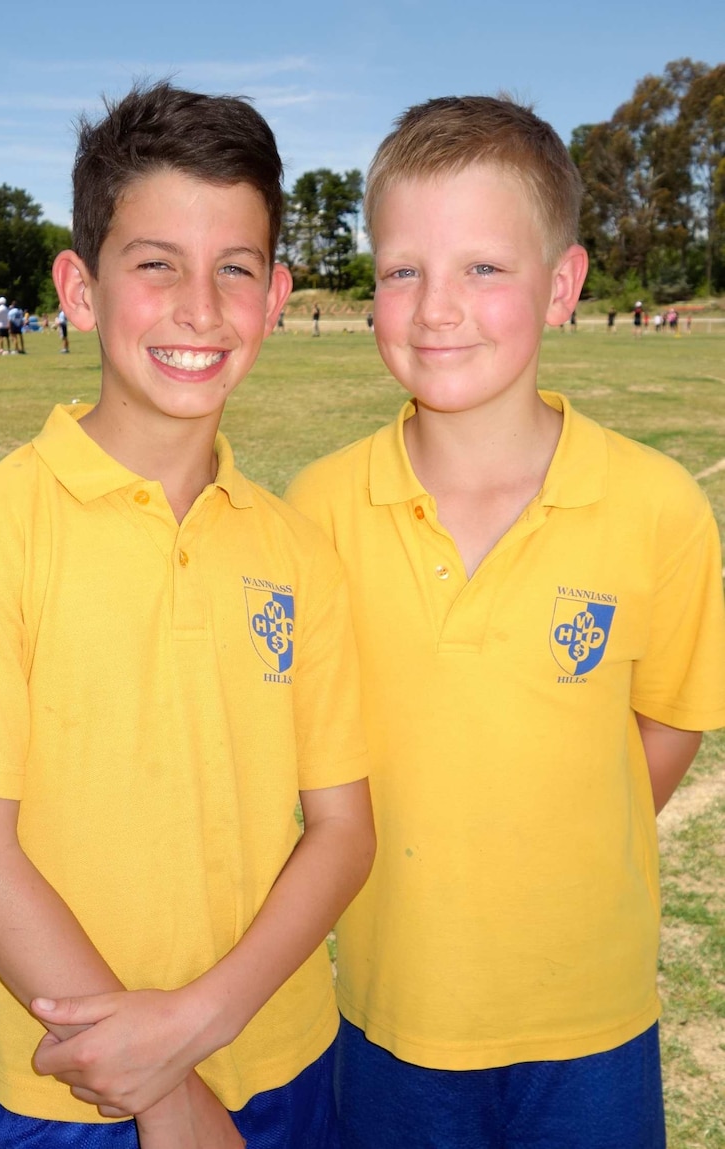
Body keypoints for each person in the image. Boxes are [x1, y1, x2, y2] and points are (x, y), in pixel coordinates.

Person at [0, 80, 375, 1149]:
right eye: (156, 265)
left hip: (288, 1063)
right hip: (78, 1093)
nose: (200, 308)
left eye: (234, 268)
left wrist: (201, 1023)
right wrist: (166, 1092)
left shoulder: (297, 552)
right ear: (81, 288)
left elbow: (340, 829)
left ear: (276, 296)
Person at [286, 95, 725, 1149]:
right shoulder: (316, 511)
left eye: (484, 267)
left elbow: (666, 728)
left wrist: (552, 826)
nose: (437, 306)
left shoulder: (659, 504)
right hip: (389, 1019)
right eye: (402, 270)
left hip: (590, 1024)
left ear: (562, 287)